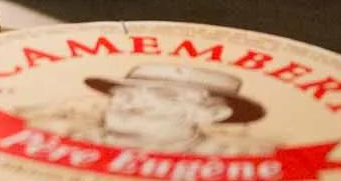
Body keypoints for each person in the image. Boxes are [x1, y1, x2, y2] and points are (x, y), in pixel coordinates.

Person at [23, 64, 276, 155]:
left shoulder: (229, 157)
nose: (129, 102)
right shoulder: (54, 135)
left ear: (212, 114)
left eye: (162, 94)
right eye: (124, 92)